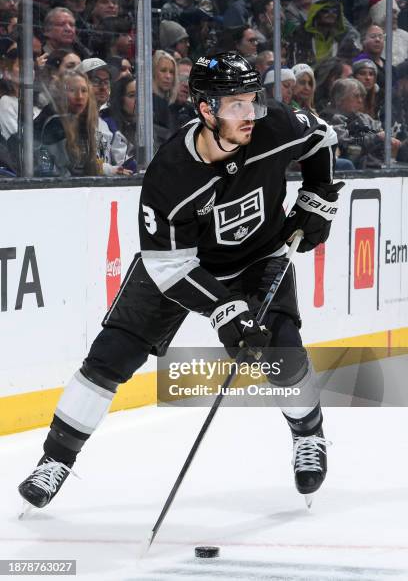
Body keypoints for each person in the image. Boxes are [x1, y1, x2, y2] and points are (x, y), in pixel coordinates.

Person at [18, 52, 341, 509]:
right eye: (235, 105)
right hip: (181, 265)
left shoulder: (275, 126)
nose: (250, 115)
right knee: (110, 356)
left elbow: (322, 138)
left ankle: (309, 436)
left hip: (257, 257)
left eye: (252, 101)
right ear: (206, 109)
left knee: (282, 352)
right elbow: (170, 266)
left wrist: (318, 198)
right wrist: (224, 308)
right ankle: (55, 461)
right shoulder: (170, 176)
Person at [31, 70, 99, 177]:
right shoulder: (53, 123)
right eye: (72, 90)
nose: (79, 96)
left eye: (84, 90)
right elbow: (50, 171)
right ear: (61, 94)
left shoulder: (83, 122)